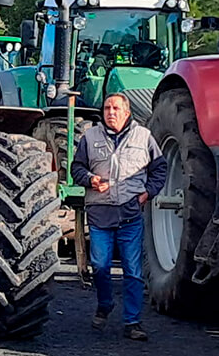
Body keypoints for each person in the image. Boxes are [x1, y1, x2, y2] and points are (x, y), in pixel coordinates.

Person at [71, 93, 168, 341]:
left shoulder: (144, 137)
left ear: (126, 112)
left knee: (133, 270)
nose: (110, 112)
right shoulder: (90, 137)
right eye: (106, 108)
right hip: (100, 213)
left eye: (115, 108)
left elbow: (160, 169)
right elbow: (76, 168)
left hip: (130, 213)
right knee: (101, 266)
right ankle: (105, 303)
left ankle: (132, 322)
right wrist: (90, 180)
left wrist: (149, 193)